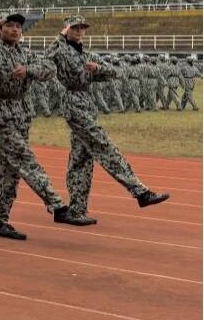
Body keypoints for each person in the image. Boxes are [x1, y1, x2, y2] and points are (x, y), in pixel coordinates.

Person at [0, 14, 86, 240]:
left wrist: (29, 71)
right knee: (24, 158)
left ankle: (0, 221)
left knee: (8, 170)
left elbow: (49, 69)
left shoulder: (25, 54)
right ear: (0, 29)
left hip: (21, 115)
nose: (15, 30)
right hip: (0, 114)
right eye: (9, 25)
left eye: (18, 26)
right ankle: (57, 206)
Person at [45, 15, 169, 224]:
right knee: (103, 146)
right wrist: (60, 37)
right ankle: (140, 192)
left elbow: (113, 72)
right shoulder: (60, 49)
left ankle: (76, 210)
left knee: (81, 159)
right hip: (72, 103)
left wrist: (97, 69)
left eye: (82, 28)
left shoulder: (87, 54)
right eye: (74, 28)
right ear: (66, 30)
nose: (79, 31)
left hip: (87, 103)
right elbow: (47, 57)